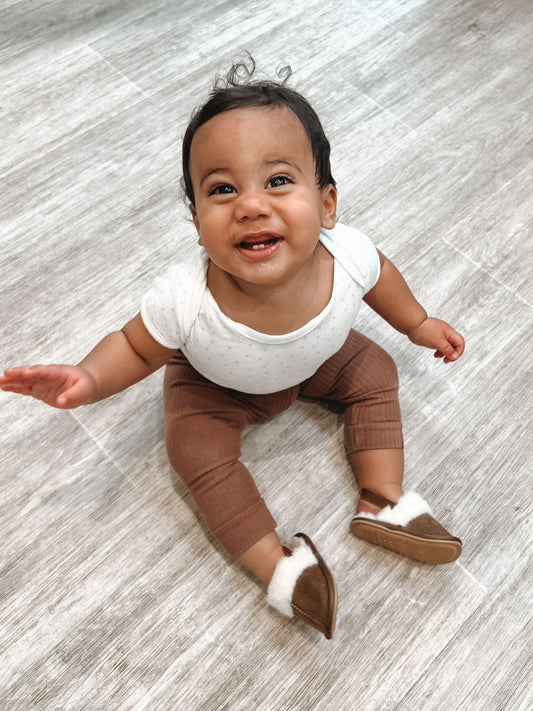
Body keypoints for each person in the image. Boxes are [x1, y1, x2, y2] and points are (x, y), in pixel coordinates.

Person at [0, 60, 465, 640]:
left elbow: (382, 281)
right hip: (213, 385)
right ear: (197, 222)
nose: (249, 205)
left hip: (318, 358)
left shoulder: (348, 254)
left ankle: (383, 498)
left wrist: (418, 322)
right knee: (195, 451)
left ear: (326, 204)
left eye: (277, 181)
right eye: (222, 189)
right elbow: (133, 346)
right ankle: (277, 563)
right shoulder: (185, 295)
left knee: (376, 371)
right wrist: (88, 379)